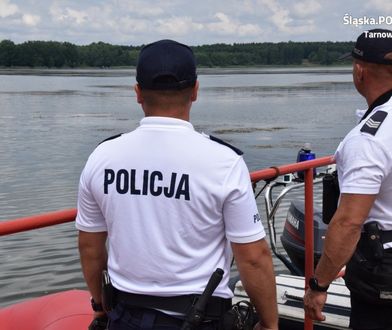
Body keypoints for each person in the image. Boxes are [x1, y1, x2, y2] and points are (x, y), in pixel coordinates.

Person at [76, 39, 278, 330]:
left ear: (137, 93)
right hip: (199, 319)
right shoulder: (223, 161)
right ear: (195, 91)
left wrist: (100, 306)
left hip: (126, 317)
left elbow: (90, 247)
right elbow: (254, 258)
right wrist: (270, 324)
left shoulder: (102, 158)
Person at [304, 29, 392, 330]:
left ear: (359, 70)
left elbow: (349, 222)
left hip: (383, 277)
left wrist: (319, 285)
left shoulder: (370, 138)